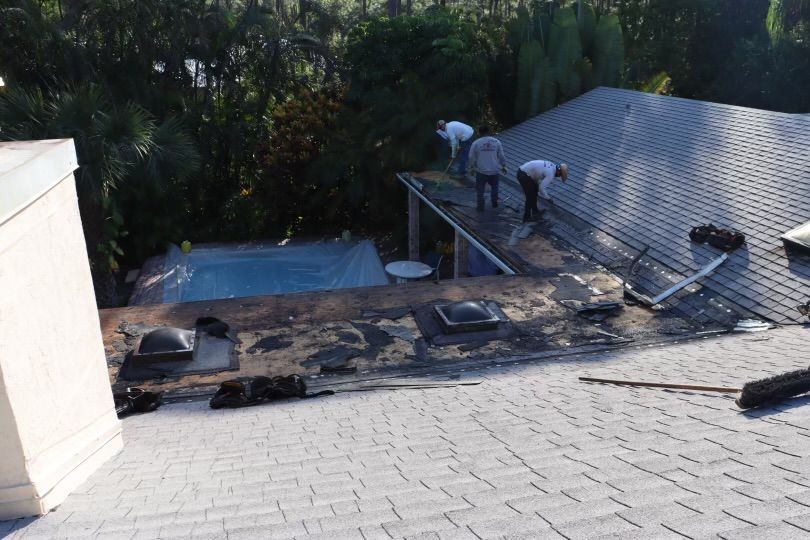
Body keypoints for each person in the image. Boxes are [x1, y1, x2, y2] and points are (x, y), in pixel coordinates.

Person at [467, 125, 507, 211]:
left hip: (481, 171)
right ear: (489, 132)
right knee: (495, 186)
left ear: (479, 133)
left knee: (480, 189)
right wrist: (504, 166)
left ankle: (481, 207)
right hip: (494, 170)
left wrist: (471, 168)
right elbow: (501, 156)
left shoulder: (476, 143)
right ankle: (494, 202)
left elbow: (471, 157)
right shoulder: (497, 142)